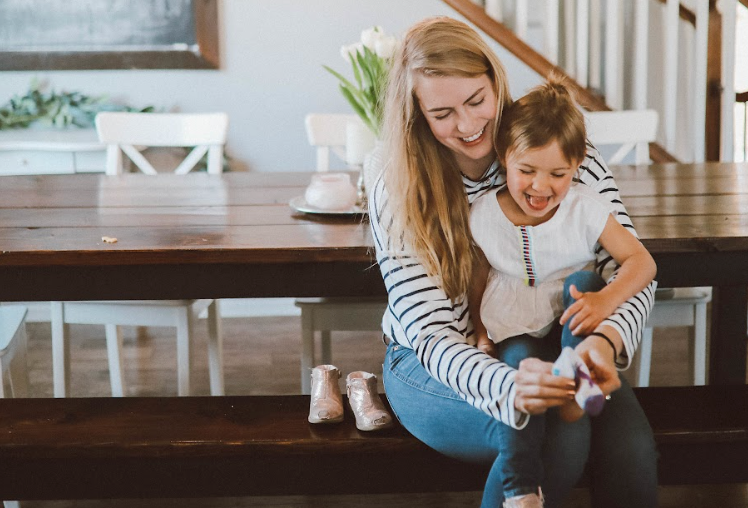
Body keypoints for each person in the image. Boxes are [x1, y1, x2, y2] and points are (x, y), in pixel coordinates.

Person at [368, 16, 658, 508]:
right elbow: (432, 334)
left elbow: (626, 269)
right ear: (417, 116)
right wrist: (508, 385)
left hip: (558, 344)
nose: (467, 124)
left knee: (632, 450)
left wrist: (606, 343)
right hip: (436, 365)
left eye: (477, 101)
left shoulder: (557, 148)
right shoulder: (399, 185)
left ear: (496, 81)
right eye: (442, 113)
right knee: (548, 428)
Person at [466, 78, 657, 507]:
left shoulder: (585, 207)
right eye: (527, 171)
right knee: (517, 382)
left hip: (572, 322)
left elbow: (642, 262)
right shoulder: (483, 214)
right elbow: (478, 276)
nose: (540, 187)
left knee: (586, 282)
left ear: (578, 164)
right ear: (504, 158)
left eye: (558, 173)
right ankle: (520, 490)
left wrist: (604, 301)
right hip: (513, 324)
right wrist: (480, 331)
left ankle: (578, 378)